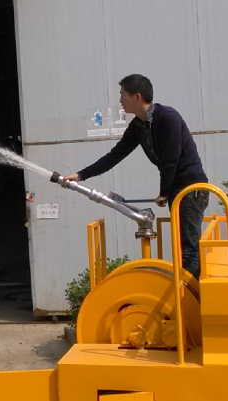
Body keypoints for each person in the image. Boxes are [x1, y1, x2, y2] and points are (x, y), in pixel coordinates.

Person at [64, 74, 209, 278]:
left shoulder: (168, 117)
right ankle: (185, 297)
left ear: (137, 96)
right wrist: (81, 175)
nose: (120, 100)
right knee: (182, 246)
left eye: (122, 94)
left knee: (188, 247)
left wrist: (164, 192)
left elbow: (171, 160)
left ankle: (191, 300)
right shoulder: (138, 126)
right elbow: (115, 155)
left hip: (192, 188)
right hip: (177, 189)